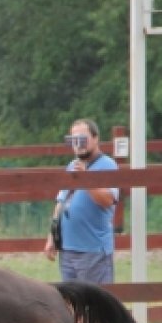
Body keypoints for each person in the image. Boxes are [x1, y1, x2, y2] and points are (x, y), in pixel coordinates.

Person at [43, 118, 120, 284]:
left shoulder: (107, 165)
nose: (78, 144)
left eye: (82, 139)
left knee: (95, 304)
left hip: (93, 251)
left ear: (95, 138)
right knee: (72, 304)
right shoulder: (72, 165)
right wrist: (52, 236)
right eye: (73, 140)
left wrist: (86, 180)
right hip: (68, 249)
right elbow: (61, 202)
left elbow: (107, 200)